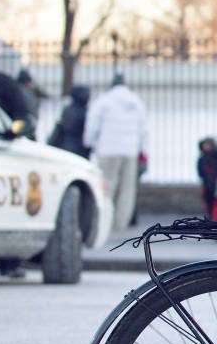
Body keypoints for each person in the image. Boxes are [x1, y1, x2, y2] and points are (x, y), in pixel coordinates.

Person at [83, 72, 148, 235]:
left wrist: (89, 142)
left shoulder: (104, 101)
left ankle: (104, 220)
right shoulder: (136, 102)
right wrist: (142, 149)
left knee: (107, 185)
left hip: (108, 149)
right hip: (130, 150)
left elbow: (93, 125)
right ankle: (121, 222)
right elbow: (144, 130)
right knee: (127, 188)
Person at [46, 85, 91, 158]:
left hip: (65, 146)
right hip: (81, 149)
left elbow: (60, 128)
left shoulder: (67, 110)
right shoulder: (85, 112)